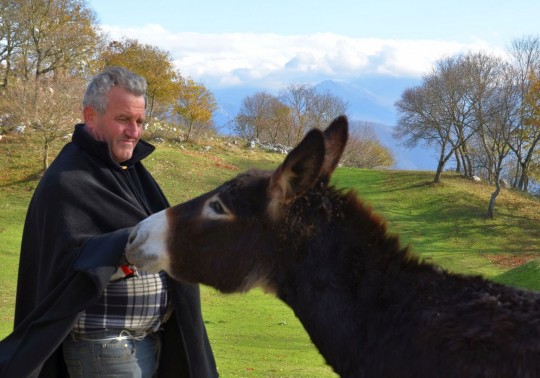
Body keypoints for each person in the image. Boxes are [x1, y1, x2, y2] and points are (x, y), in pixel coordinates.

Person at [0, 67, 218, 377]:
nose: (134, 131)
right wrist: (127, 250)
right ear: (91, 116)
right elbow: (66, 273)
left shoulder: (132, 174)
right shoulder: (67, 181)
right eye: (123, 119)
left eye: (140, 121)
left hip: (144, 341)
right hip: (104, 347)